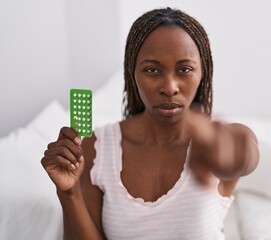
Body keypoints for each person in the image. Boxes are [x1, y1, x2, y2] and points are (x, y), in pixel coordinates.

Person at [41, 7, 259, 240]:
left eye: (184, 70)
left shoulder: (222, 139)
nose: (170, 87)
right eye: (152, 70)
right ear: (132, 74)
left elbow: (243, 152)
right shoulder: (98, 147)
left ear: (203, 72)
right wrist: (69, 193)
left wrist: (222, 149)